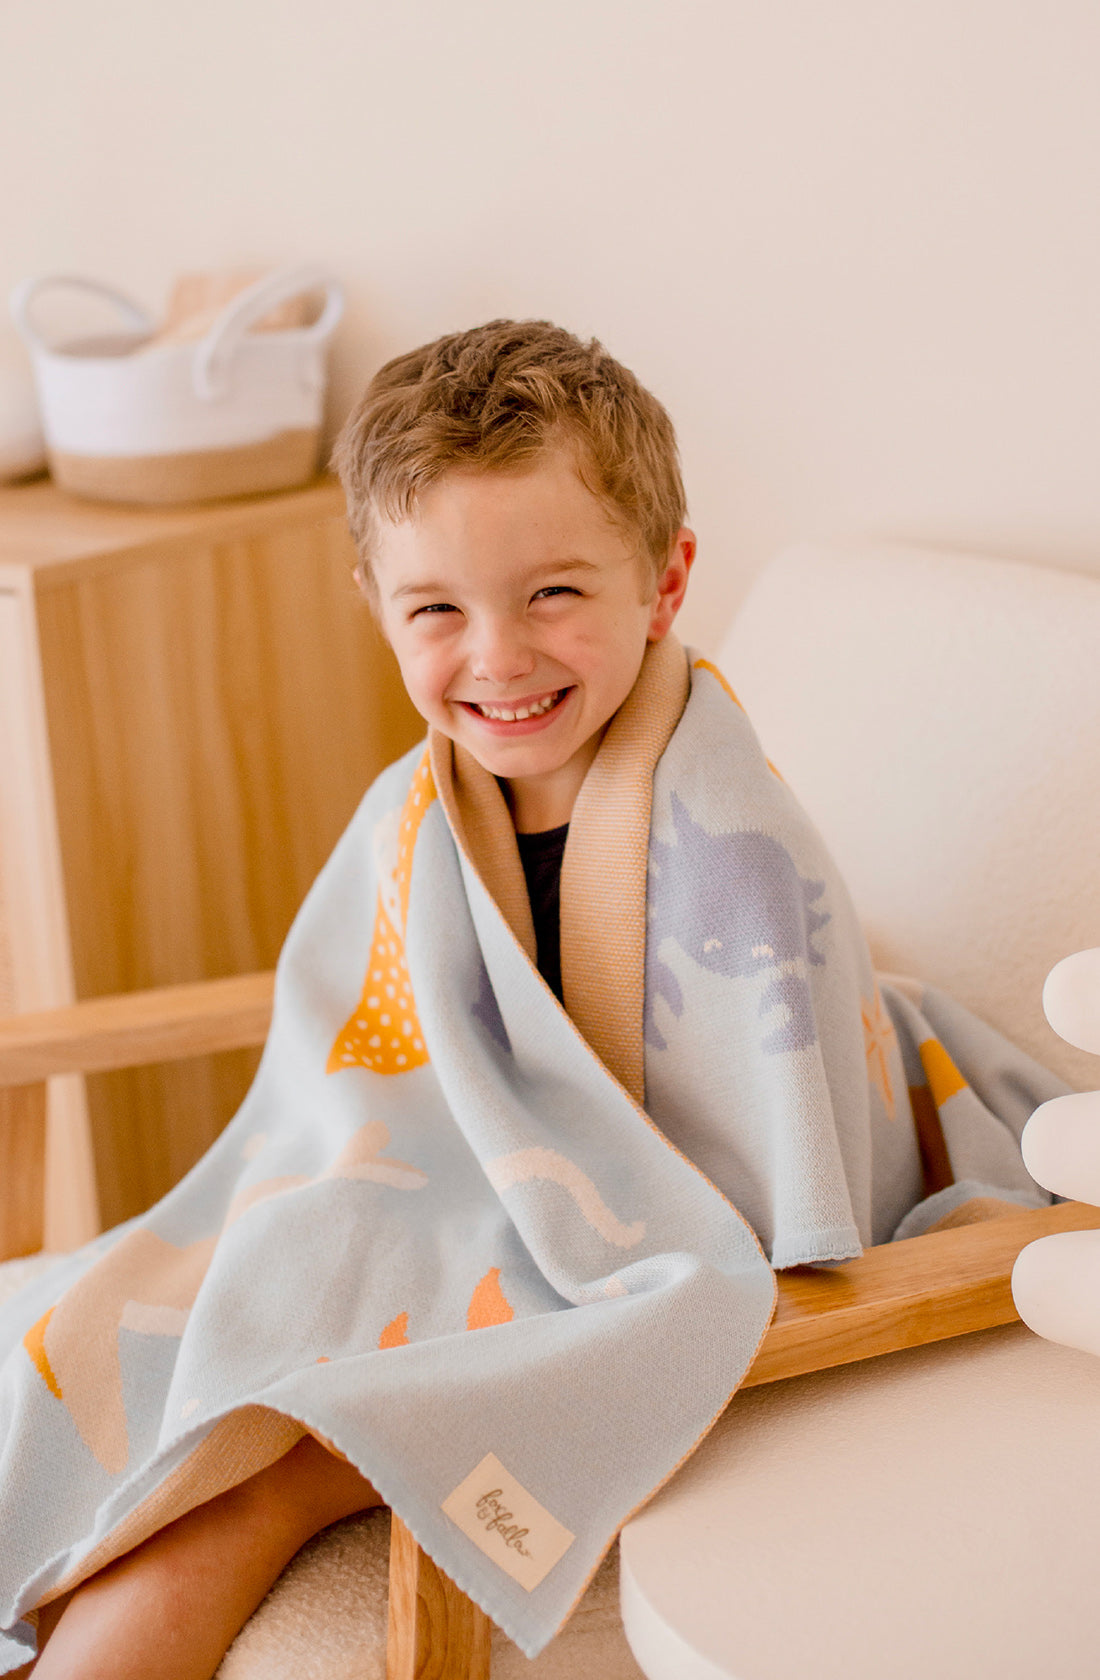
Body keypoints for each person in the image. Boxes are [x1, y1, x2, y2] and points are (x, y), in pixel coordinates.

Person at [1, 319, 1060, 1677]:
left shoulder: (729, 836)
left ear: (665, 582)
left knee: (245, 1482)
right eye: (437, 610)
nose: (496, 658)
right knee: (141, 1372)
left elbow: (768, 1188)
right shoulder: (414, 817)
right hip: (456, 1204)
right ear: (378, 608)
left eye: (554, 594)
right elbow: (350, 1084)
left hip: (634, 1266)